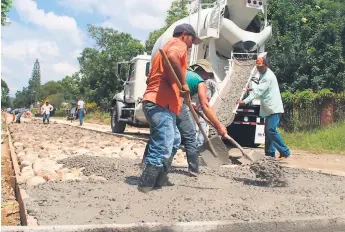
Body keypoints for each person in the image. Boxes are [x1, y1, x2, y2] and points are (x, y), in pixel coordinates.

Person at [138, 23, 202, 193]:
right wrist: (183, 83)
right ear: (185, 35)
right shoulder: (178, 44)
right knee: (163, 143)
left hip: (160, 102)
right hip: (160, 103)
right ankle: (146, 183)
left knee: (173, 140)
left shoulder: (165, 48)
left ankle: (160, 178)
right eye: (192, 41)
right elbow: (173, 56)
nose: (190, 45)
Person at [141, 59, 227, 181]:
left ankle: (147, 164)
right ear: (201, 71)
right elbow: (205, 105)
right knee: (190, 136)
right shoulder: (199, 81)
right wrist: (218, 125)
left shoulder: (181, 72)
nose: (207, 77)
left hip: (158, 102)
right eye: (207, 74)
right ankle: (194, 170)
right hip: (177, 105)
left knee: (160, 134)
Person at [237, 57, 290, 160]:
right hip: (269, 107)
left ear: (266, 65)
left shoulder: (267, 76)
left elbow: (259, 92)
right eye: (257, 67)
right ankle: (270, 154)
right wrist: (251, 88)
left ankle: (284, 151)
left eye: (261, 67)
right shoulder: (264, 75)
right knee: (268, 131)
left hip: (273, 108)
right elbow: (262, 88)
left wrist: (244, 101)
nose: (259, 69)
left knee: (270, 130)